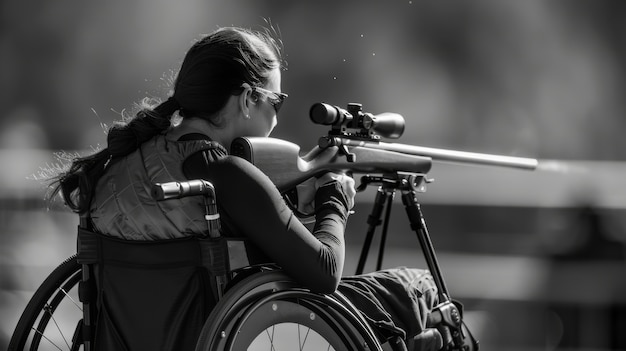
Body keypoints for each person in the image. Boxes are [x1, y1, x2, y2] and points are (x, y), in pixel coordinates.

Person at [51, 26, 443, 350]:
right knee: (418, 286)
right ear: (246, 99)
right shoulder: (225, 173)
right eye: (277, 101)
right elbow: (324, 272)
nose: (277, 113)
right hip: (234, 333)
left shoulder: (119, 164)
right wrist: (334, 202)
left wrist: (294, 204)